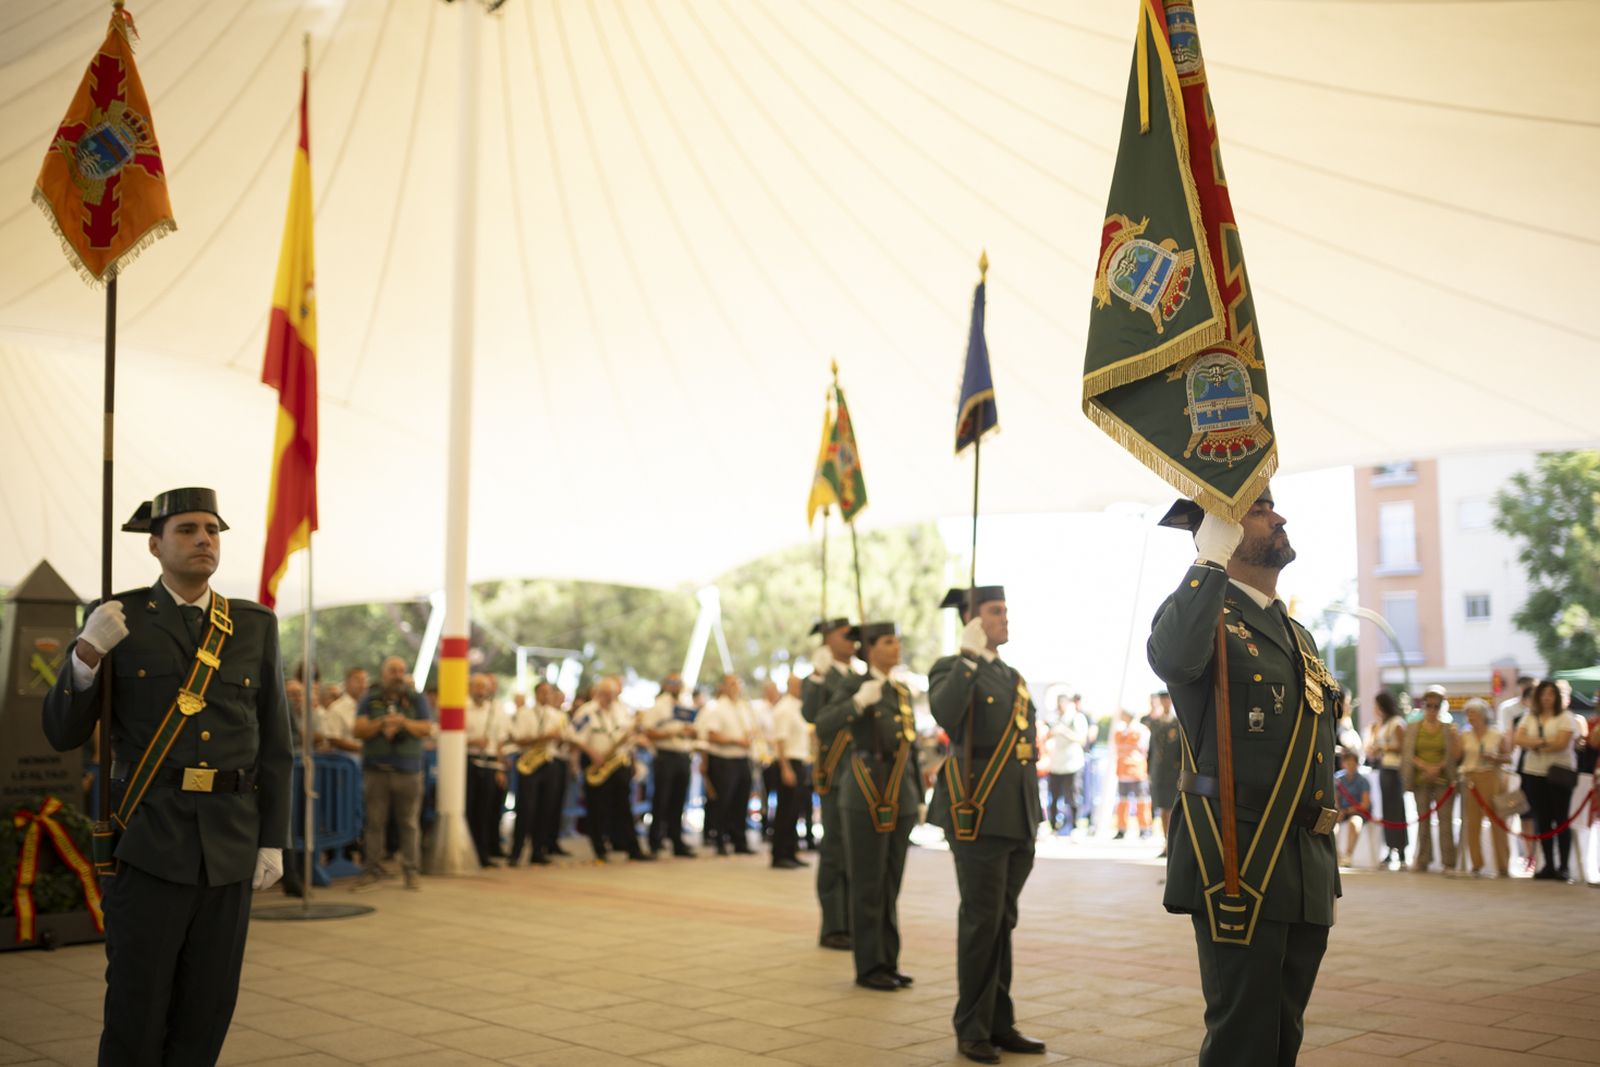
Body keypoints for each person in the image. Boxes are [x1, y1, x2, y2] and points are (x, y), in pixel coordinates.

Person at [42, 487, 293, 1066]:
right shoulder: (117, 617)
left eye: (212, 529)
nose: (204, 539)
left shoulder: (253, 624)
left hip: (230, 844)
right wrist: (85, 655)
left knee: (207, 1009)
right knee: (138, 1006)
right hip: (151, 839)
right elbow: (62, 733)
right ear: (155, 545)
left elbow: (276, 742)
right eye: (187, 529)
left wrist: (273, 837)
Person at [1147, 491, 1341, 1067]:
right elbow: (1174, 659)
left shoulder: (1297, 634)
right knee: (1243, 1037)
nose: (1279, 518)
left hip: (1304, 858)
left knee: (1283, 1034)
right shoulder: (1204, 614)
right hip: (1241, 854)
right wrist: (1206, 562)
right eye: (1260, 510)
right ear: (1222, 531)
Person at [927, 587, 1047, 1064]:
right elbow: (945, 713)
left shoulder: (1012, 676)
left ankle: (999, 1021)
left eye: (1004, 611)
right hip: (975, 810)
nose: (1005, 619)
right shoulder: (954, 667)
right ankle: (971, 1027)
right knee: (981, 920)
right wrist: (967, 657)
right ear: (972, 620)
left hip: (1016, 813)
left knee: (1003, 920)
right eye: (995, 612)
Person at [819, 622, 921, 994]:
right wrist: (859, 702)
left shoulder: (901, 690)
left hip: (900, 796)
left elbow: (908, 749)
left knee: (890, 883)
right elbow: (823, 723)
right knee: (867, 883)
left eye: (897, 640)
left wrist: (919, 799)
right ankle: (869, 965)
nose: (896, 647)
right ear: (871, 649)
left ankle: (889, 961)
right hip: (865, 794)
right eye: (888, 642)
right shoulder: (853, 684)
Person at [353, 656, 433, 889]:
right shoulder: (370, 698)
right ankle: (370, 870)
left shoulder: (417, 700)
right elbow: (358, 729)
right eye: (392, 671)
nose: (397, 675)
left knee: (409, 823)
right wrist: (382, 722)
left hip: (408, 772)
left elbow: (426, 728)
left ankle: (411, 872)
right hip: (376, 771)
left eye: (401, 670)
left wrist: (402, 722)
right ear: (383, 674)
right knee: (374, 823)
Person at [803, 616, 857, 950]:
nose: (852, 640)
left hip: (863, 774)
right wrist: (818, 677)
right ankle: (834, 925)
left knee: (857, 853)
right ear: (828, 641)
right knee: (835, 850)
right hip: (837, 772)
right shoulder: (823, 676)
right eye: (844, 635)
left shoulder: (860, 674)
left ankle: (853, 920)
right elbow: (811, 714)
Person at [572, 678, 650, 863]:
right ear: (598, 693)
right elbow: (574, 736)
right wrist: (592, 754)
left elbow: (626, 735)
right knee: (597, 807)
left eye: (613, 694)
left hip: (618, 762)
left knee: (624, 806)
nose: (610, 698)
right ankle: (599, 849)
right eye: (606, 694)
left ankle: (632, 848)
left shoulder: (620, 710)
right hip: (596, 762)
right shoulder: (587, 712)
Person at [1516, 679, 1577, 881]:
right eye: (1543, 693)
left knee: (1561, 819)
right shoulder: (1529, 717)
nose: (1547, 697)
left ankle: (1564, 866)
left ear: (1557, 697)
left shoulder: (1565, 718)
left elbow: (1561, 743)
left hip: (1559, 773)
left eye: (1551, 694)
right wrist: (1544, 742)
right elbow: (1519, 739)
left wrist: (1534, 744)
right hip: (1534, 773)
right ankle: (1548, 865)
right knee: (1542, 819)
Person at [505, 683, 569, 866]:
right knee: (526, 809)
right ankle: (515, 852)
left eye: (549, 693)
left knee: (546, 809)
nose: (546, 696)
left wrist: (560, 740)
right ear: (536, 694)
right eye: (543, 692)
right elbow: (517, 738)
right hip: (529, 762)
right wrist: (542, 738)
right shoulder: (524, 713)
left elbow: (565, 742)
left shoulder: (558, 716)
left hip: (550, 763)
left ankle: (538, 851)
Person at [1403, 685, 1459, 874]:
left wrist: (1439, 767)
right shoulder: (1414, 728)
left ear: (1442, 707)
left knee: (1445, 821)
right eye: (1429, 705)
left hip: (1443, 779)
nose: (1432, 710)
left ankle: (1448, 863)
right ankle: (1423, 860)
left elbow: (1452, 754)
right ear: (1423, 706)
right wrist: (1425, 767)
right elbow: (1409, 753)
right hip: (1421, 779)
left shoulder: (1448, 729)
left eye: (1436, 706)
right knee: (1423, 821)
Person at [641, 671, 698, 857]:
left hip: (682, 756)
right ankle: (655, 841)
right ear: (666, 684)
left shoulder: (684, 704)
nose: (676, 685)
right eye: (673, 682)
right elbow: (648, 731)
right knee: (661, 800)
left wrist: (690, 732)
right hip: (665, 756)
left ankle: (676, 840)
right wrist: (672, 734)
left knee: (679, 801)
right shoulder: (659, 705)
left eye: (679, 682)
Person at [700, 674, 758, 855]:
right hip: (724, 759)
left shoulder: (742, 708)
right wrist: (735, 741)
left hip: (742, 758)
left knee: (741, 801)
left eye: (737, 683)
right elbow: (711, 735)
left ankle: (739, 840)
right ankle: (719, 840)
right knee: (723, 801)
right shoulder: (717, 708)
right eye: (731, 684)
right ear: (723, 686)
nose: (735, 687)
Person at [1457, 697, 1510, 878]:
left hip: (1491, 776)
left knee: (1498, 822)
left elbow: (1507, 757)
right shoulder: (1464, 735)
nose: (1471, 718)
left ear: (1483, 715)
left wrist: (1495, 758)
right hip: (1471, 778)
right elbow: (1458, 757)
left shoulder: (1496, 734)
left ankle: (1503, 865)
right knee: (1473, 823)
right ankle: (1476, 864)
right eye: (1468, 714)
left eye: (1474, 714)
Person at [465, 673, 508, 868]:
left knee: (485, 811)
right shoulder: (463, 708)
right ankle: (467, 852)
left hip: (490, 764)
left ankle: (483, 855)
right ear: (470, 688)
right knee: (469, 809)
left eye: (484, 687)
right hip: (469, 761)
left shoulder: (496, 711)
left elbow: (499, 743)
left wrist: (500, 769)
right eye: (477, 687)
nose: (480, 691)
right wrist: (472, 741)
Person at [768, 673, 811, 869]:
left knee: (795, 811)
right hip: (788, 763)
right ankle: (779, 854)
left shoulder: (798, 707)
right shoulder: (784, 709)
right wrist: (785, 768)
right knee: (785, 811)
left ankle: (791, 851)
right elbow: (780, 741)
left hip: (799, 761)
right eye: (798, 685)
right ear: (790, 686)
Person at [1363, 690, 1409, 869]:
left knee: (1397, 809)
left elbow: (1402, 746)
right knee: (1388, 810)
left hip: (1394, 769)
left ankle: (1402, 850)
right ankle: (1390, 849)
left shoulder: (1397, 723)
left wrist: (1382, 747)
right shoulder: (1382, 724)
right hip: (1384, 768)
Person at [1042, 695, 1089, 834]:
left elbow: (1082, 739)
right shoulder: (1054, 719)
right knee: (1054, 796)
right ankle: (1053, 827)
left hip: (1072, 764)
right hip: (1056, 764)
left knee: (1073, 796)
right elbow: (1047, 736)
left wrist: (1063, 731)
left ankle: (1074, 826)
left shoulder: (1077, 718)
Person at [1147, 691, 1182, 852]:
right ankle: (1166, 842)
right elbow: (1151, 750)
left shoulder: (1178, 723)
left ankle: (1173, 844)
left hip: (1173, 772)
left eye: (1167, 700)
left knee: (1173, 808)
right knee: (1162, 808)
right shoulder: (1156, 723)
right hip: (1159, 771)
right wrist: (1150, 771)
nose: (1165, 703)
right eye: (1163, 700)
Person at [1111, 708, 1152, 841]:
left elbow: (1145, 748)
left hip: (1137, 772)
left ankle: (1145, 829)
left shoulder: (1141, 730)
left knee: (1142, 802)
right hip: (1123, 772)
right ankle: (1121, 829)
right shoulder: (1120, 730)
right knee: (1122, 802)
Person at [1333, 749, 1369, 867]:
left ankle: (1348, 855)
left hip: (1356, 811)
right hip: (1342, 811)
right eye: (1347, 762)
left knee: (1354, 823)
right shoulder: (1338, 779)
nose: (1350, 765)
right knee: (1333, 826)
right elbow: (1335, 799)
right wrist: (1339, 810)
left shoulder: (1363, 781)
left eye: (1352, 762)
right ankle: (1336, 855)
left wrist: (1348, 810)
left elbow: (1364, 804)